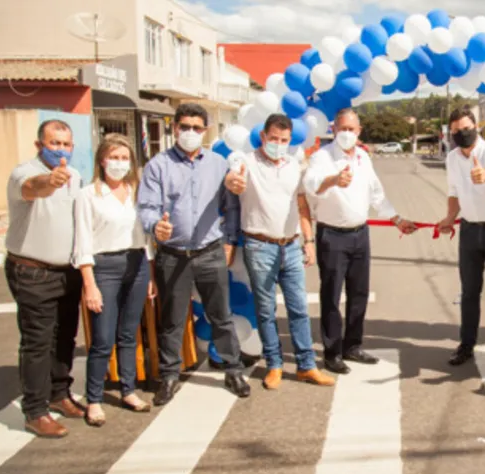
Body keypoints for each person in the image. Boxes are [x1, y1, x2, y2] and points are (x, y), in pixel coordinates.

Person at [138, 103, 251, 404]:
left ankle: (233, 369)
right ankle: (169, 375)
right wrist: (154, 227)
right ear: (174, 128)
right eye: (184, 126)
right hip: (172, 254)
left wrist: (229, 242)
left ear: (205, 130)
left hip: (210, 252)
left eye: (196, 128)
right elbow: (147, 208)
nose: (190, 132)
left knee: (221, 315)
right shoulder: (157, 166)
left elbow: (231, 205)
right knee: (173, 319)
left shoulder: (217, 164)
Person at [224, 114, 335, 389]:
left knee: (299, 309)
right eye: (273, 138)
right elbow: (233, 179)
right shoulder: (246, 162)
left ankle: (306, 366)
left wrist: (308, 242)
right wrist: (233, 182)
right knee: (266, 310)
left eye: (284, 140)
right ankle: (274, 364)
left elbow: (302, 205)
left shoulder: (293, 165)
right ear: (263, 136)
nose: (278, 144)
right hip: (260, 246)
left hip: (292, 245)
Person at [303, 108, 417, 374]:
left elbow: (377, 195)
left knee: (359, 293)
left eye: (351, 129)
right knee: (332, 295)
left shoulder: (364, 157)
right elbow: (311, 183)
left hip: (359, 234)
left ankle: (352, 346)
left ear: (359, 131)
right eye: (341, 128)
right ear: (333, 129)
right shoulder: (322, 157)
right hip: (332, 236)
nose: (346, 134)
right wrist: (333, 179)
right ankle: (332, 352)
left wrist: (397, 219)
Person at [5, 119, 85, 438]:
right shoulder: (24, 173)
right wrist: (50, 181)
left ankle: (59, 393)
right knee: (37, 342)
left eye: (66, 144)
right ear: (40, 145)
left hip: (67, 271)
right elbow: (34, 188)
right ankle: (35, 410)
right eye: (54, 143)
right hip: (32, 271)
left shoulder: (76, 177)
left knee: (64, 337)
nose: (60, 149)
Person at [74, 134, 156, 426]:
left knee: (128, 333)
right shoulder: (88, 195)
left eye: (125, 158)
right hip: (104, 266)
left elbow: (146, 236)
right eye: (114, 157)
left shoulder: (137, 191)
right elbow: (82, 241)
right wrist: (89, 284)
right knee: (102, 338)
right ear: (102, 160)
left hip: (136, 263)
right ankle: (94, 399)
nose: (119, 164)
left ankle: (128, 390)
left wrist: (150, 273)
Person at [437, 106, 485, 368]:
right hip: (469, 230)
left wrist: (484, 176)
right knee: (469, 292)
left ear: (476, 127)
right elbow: (453, 192)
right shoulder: (452, 158)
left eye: (467, 129)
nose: (462, 134)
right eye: (457, 131)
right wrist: (450, 217)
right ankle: (466, 345)